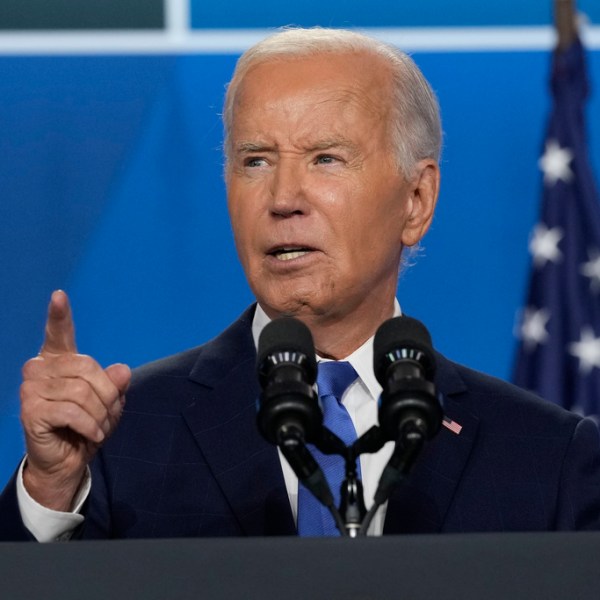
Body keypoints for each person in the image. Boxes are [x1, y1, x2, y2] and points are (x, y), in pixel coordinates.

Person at [1, 27, 599, 541]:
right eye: (255, 161)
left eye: (325, 159)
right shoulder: (121, 438)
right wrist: (50, 488)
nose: (283, 199)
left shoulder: (547, 458)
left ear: (416, 201)